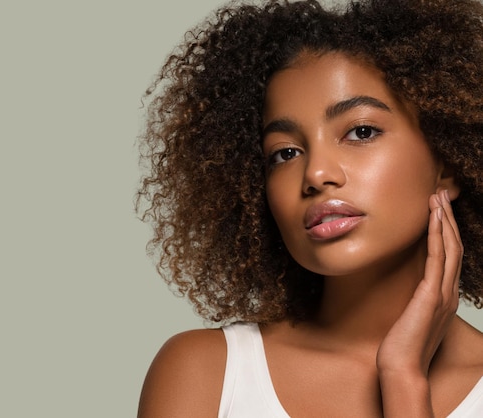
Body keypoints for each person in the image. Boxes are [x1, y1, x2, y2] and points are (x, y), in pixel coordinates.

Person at [136, 0, 483, 416]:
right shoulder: (206, 373)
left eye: (361, 131)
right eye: (285, 153)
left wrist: (403, 378)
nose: (316, 173)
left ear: (448, 163)